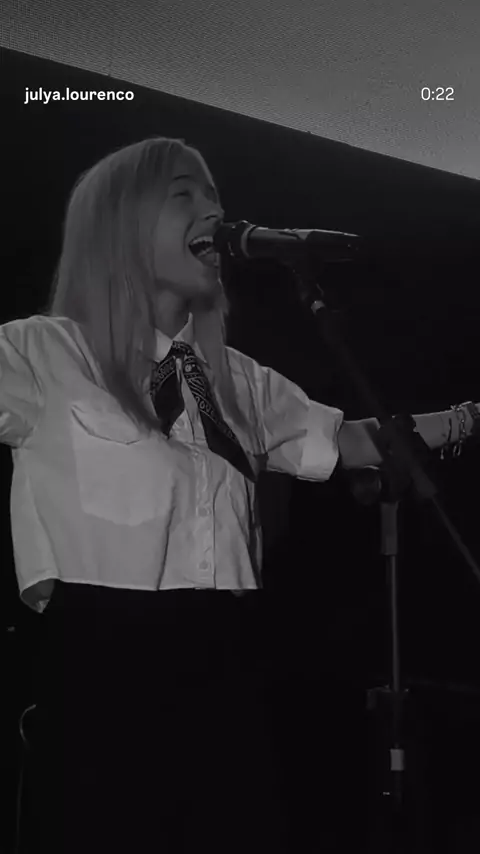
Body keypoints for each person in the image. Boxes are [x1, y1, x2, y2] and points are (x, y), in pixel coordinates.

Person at [1, 136, 479, 854]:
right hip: (105, 665)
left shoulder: (238, 380)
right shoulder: (41, 353)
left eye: (215, 197)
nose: (214, 212)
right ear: (121, 223)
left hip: (226, 662)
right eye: (184, 196)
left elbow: (356, 440)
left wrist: (471, 417)